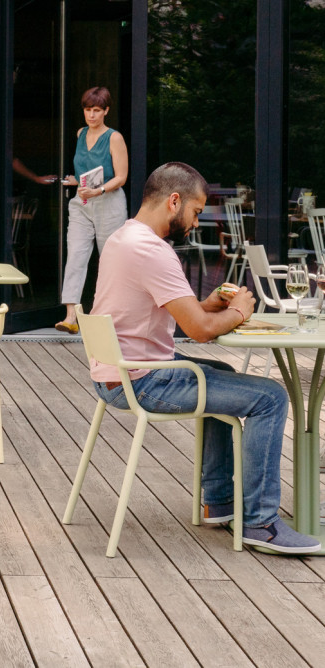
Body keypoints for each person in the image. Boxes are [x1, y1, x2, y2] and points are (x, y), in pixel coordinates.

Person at [91, 161, 319, 554]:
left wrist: (207, 304)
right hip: (145, 379)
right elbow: (198, 331)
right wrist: (239, 312)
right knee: (271, 397)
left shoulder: (122, 238)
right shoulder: (152, 251)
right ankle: (261, 523)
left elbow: (179, 313)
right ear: (174, 201)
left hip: (116, 372)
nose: (197, 223)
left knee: (218, 370)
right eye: (196, 212)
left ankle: (218, 501)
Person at [57, 86, 128, 333]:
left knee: (110, 261)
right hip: (81, 202)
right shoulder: (80, 133)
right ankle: (71, 316)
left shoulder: (114, 138)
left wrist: (98, 190)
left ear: (106, 110)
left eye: (97, 110)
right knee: (75, 256)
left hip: (108, 203)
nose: (92, 115)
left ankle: (109, 315)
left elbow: (121, 177)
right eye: (88, 110)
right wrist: (76, 180)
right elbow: (85, 171)